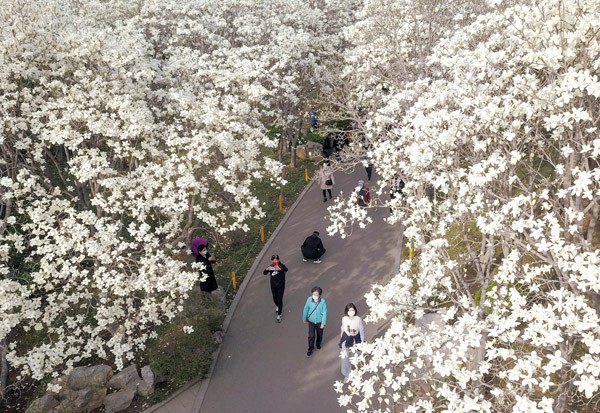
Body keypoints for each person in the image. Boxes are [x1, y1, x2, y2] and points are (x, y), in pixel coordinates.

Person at [339, 303, 365, 384]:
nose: (351, 312)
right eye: (349, 310)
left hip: (356, 338)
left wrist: (362, 340)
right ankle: (347, 374)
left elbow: (361, 329)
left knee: (356, 355)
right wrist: (341, 338)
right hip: (347, 338)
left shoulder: (358, 319)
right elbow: (343, 328)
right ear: (347, 311)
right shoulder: (344, 319)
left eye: (352, 310)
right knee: (345, 357)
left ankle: (358, 369)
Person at [302, 286, 328, 356]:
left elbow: (324, 313)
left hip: (319, 322)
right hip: (311, 321)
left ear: (319, 295)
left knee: (319, 334)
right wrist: (304, 318)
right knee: (311, 335)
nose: (314, 296)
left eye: (316, 295)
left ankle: (318, 344)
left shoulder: (323, 302)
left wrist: (323, 323)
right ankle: (310, 348)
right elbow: (306, 309)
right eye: (313, 294)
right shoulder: (309, 300)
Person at [263, 254, 288, 322]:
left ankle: (279, 314)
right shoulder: (271, 267)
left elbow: (286, 269)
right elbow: (264, 273)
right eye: (273, 260)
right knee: (275, 298)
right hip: (273, 286)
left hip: (281, 286)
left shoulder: (281, 266)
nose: (275, 261)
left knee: (280, 299)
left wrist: (280, 269)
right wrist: (266, 269)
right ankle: (277, 305)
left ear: (278, 260)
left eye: (276, 259)